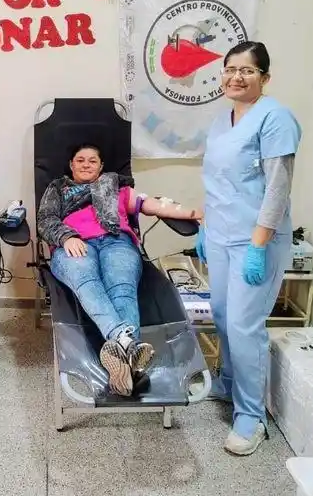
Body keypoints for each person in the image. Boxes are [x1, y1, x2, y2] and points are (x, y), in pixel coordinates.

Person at [196, 41, 302, 456]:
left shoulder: (276, 118)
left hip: (255, 239)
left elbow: (277, 188)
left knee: (244, 325)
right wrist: (205, 227)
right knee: (221, 314)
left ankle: (252, 416)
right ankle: (226, 382)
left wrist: (258, 246)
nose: (237, 77)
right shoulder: (222, 120)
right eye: (230, 69)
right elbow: (218, 179)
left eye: (248, 71)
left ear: (265, 78)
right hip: (221, 234)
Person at [37, 143, 201, 396]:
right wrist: (66, 237)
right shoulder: (58, 189)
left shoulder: (116, 186)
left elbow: (153, 205)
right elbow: (45, 220)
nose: (86, 164)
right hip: (74, 242)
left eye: (92, 160)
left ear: (101, 167)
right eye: (80, 160)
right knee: (86, 279)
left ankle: (121, 363)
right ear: (71, 165)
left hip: (117, 242)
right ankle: (128, 344)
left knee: (122, 288)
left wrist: (192, 212)